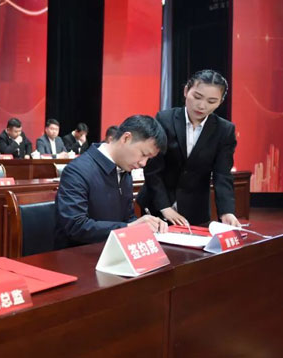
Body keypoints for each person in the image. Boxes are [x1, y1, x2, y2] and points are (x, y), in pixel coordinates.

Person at [137, 70, 241, 227]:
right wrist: (164, 207)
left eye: (211, 101)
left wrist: (226, 212)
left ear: (220, 102)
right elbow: (153, 169)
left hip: (195, 208)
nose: (202, 105)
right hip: (157, 205)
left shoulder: (224, 130)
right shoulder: (165, 119)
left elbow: (222, 175)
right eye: (197, 97)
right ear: (186, 91)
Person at [55, 115, 168, 248]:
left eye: (149, 158)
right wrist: (129, 228)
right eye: (143, 154)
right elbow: (75, 225)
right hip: (78, 254)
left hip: (112, 250)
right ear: (126, 138)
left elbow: (128, 217)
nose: (143, 163)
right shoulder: (77, 171)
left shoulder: (124, 170)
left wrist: (145, 226)